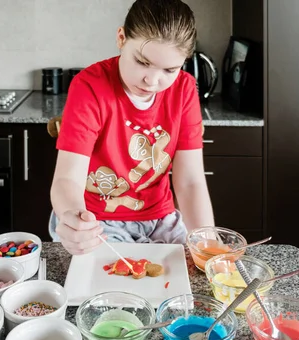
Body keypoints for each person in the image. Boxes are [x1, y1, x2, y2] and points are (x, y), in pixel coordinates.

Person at [49, 0, 214, 255]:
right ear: (121, 38)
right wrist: (73, 219)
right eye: (142, 61)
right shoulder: (89, 86)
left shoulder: (184, 89)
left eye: (170, 69)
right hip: (96, 218)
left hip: (161, 219)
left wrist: (207, 240)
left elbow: (190, 181)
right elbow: (67, 179)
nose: (152, 80)